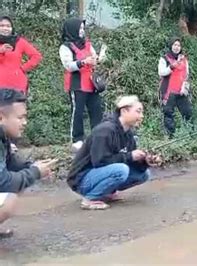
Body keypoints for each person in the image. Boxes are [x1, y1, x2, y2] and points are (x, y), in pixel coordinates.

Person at [66, 96, 160, 210]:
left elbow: (128, 161)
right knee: (121, 170)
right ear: (124, 111)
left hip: (101, 173)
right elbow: (99, 162)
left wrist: (145, 161)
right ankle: (90, 199)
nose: (141, 116)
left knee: (144, 174)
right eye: (138, 112)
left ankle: (106, 192)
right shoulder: (104, 131)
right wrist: (130, 156)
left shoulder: (128, 134)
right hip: (82, 179)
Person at [0, 89, 57, 238]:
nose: (25, 123)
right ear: (1, 117)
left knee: (17, 185)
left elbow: (11, 165)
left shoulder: (3, 136)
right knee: (8, 198)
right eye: (20, 118)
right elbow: (4, 182)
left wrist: (33, 166)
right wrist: (35, 172)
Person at [59, 18, 104, 152]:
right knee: (77, 112)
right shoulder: (65, 47)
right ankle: (77, 139)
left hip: (91, 84)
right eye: (80, 29)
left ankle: (98, 137)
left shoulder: (88, 44)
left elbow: (94, 58)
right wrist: (84, 62)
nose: (82, 31)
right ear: (72, 29)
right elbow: (68, 66)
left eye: (83, 29)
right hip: (77, 84)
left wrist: (98, 59)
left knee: (96, 111)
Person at [159, 37, 192, 138]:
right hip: (168, 92)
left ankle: (190, 135)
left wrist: (184, 87)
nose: (177, 47)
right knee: (168, 114)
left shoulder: (184, 59)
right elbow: (161, 72)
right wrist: (173, 65)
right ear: (171, 46)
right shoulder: (164, 59)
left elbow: (186, 74)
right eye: (175, 45)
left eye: (179, 45)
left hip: (181, 91)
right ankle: (170, 137)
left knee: (188, 113)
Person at [0, 16, 42, 94]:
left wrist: (23, 69)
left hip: (16, 85)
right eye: (2, 26)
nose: (5, 28)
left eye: (8, 26)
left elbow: (36, 56)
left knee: (17, 106)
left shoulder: (19, 41)